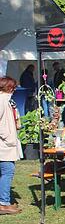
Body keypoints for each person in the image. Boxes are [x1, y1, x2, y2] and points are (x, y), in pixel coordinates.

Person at [0, 77, 21, 214]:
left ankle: (4, 201)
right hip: (3, 144)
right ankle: (3, 203)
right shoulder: (2, 100)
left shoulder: (6, 100)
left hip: (6, 142)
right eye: (13, 87)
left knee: (5, 171)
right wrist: (7, 136)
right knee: (8, 171)